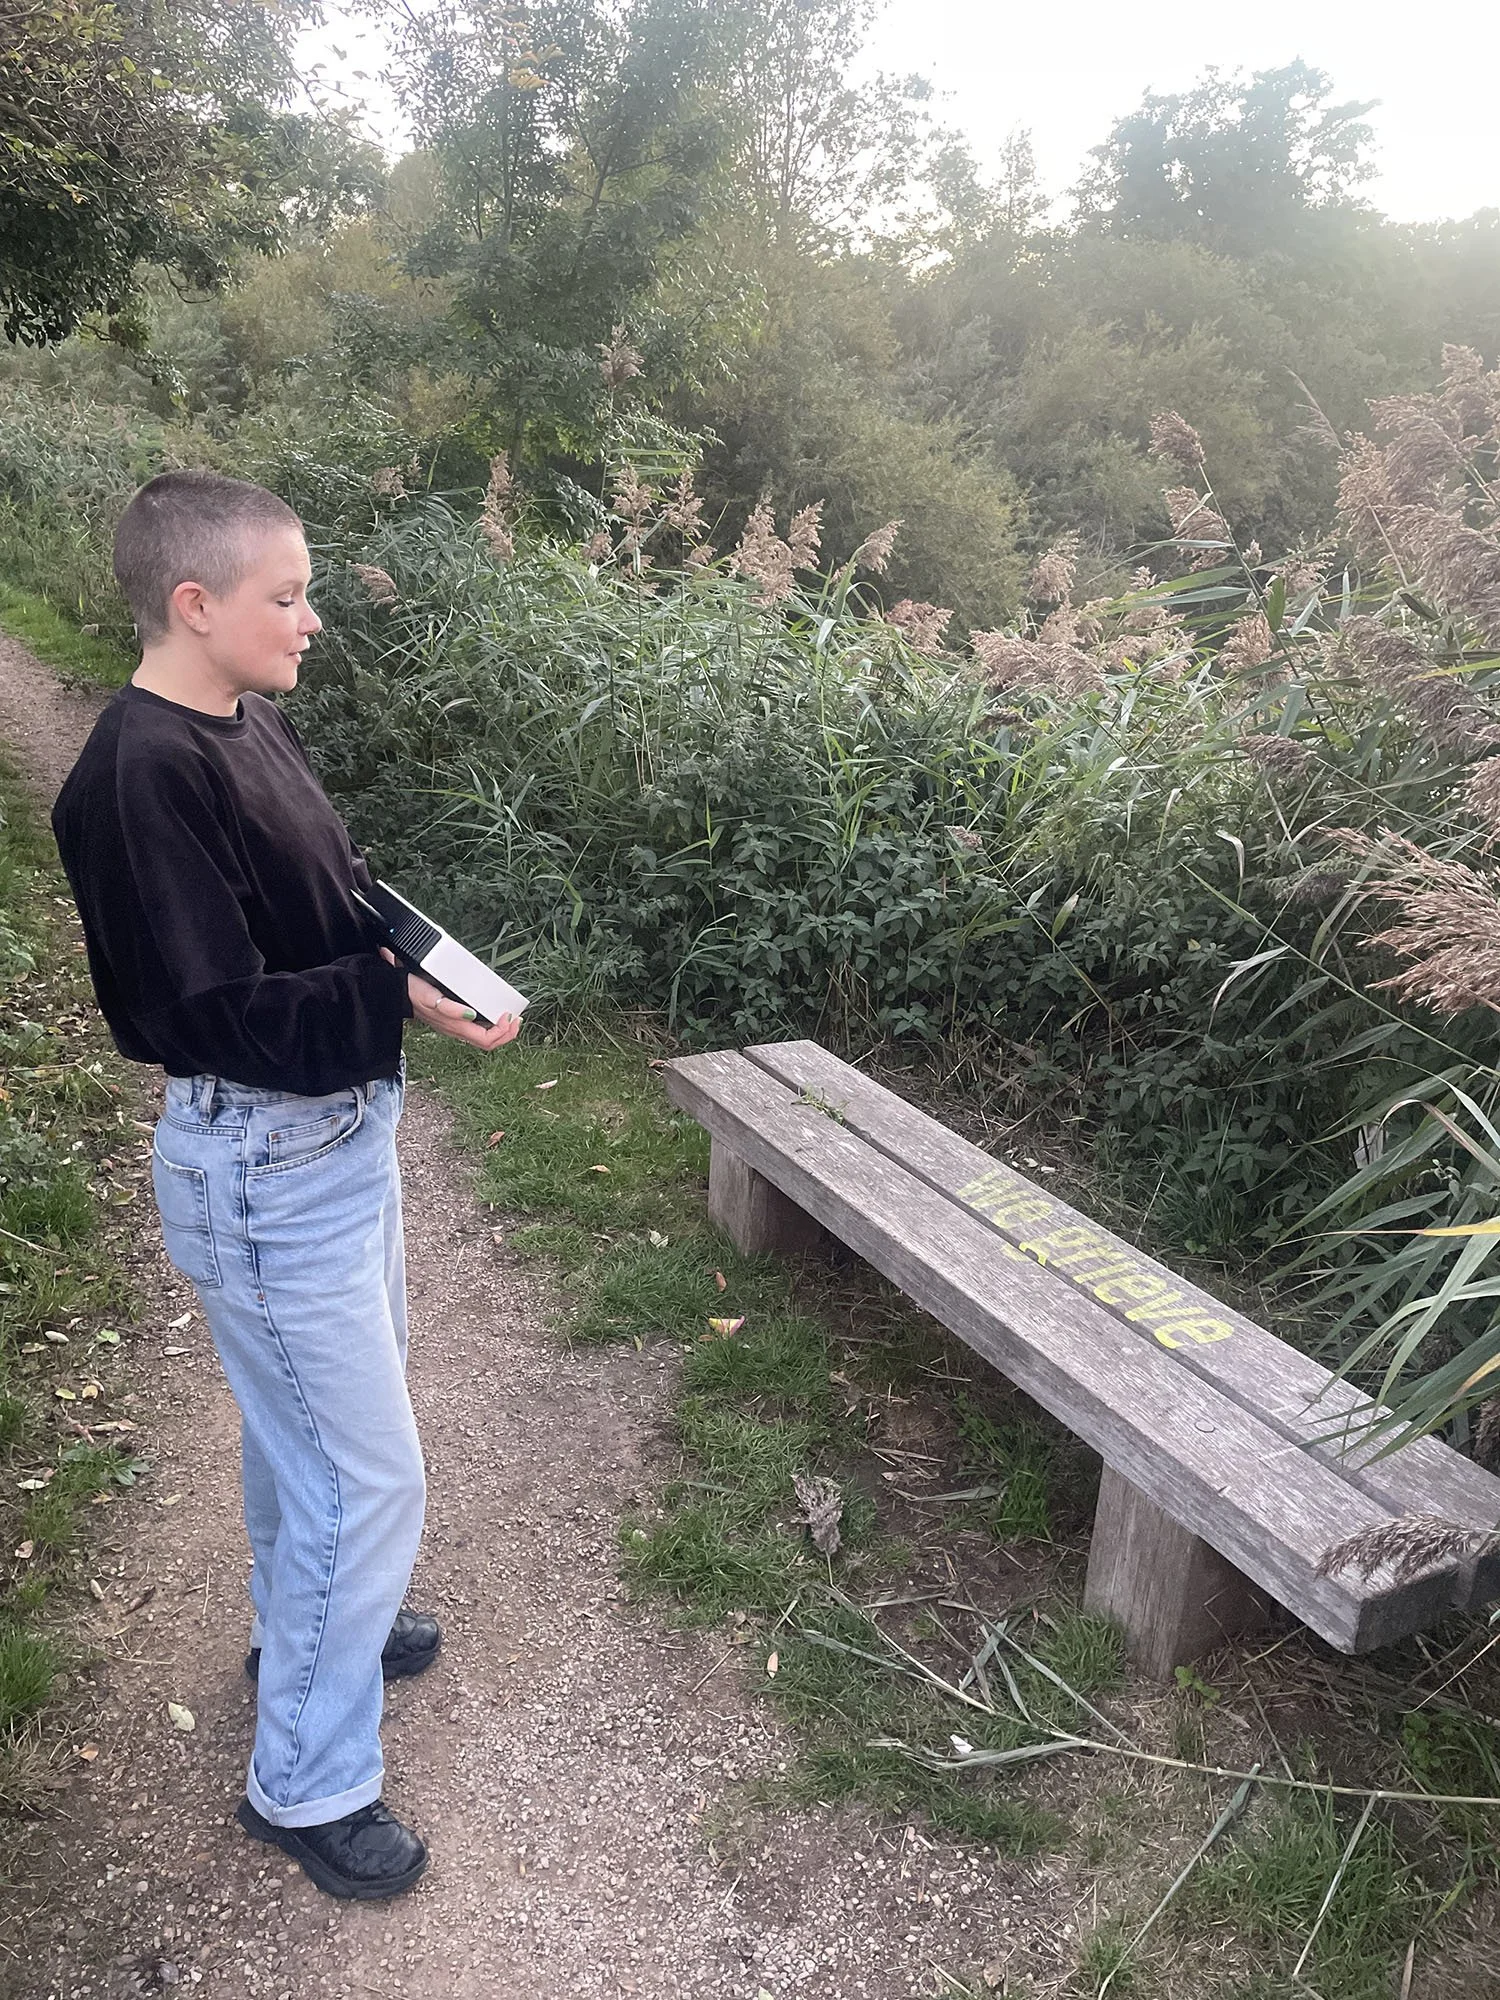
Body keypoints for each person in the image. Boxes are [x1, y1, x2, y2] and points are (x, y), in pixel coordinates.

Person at [51, 470, 520, 1901]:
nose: (312, 620)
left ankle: (310, 1630)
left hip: (336, 1135)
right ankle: (307, 1785)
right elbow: (200, 1011)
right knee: (365, 1476)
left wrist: (426, 963)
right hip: (262, 1163)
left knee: (303, 1441)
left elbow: (339, 881)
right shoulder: (137, 778)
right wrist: (385, 997)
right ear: (195, 604)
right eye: (289, 596)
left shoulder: (247, 717)